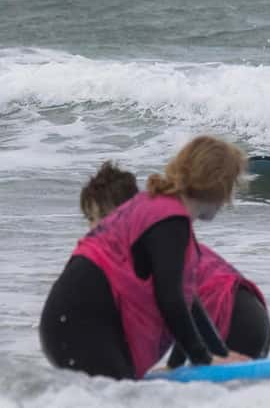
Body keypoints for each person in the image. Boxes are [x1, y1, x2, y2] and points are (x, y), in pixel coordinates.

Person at [40, 136, 249, 380]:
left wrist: (218, 353)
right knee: (119, 399)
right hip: (81, 322)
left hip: (70, 320)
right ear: (218, 183)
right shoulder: (169, 221)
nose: (228, 199)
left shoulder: (159, 209)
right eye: (231, 186)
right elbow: (170, 299)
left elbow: (187, 300)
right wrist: (202, 357)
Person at [77, 160, 270, 370]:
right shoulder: (160, 235)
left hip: (232, 320)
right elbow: (184, 304)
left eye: (98, 217)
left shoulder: (139, 250)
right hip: (250, 317)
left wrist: (176, 364)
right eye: (89, 219)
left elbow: (183, 304)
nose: (92, 228)